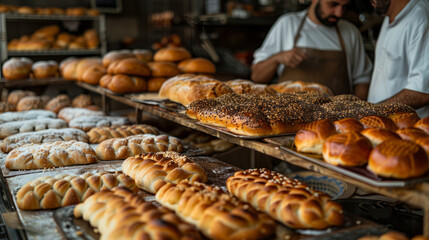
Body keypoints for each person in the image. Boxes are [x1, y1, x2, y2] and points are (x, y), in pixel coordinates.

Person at [251, 0, 373, 99]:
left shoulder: (350, 32)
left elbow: (362, 80)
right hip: (288, 120)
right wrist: (277, 58)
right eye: (333, 4)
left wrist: (356, 113)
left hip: (336, 121)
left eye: (344, 7)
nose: (339, 13)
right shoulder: (288, 24)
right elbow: (257, 77)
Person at [367, 0, 429, 117]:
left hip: (408, 130)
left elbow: (423, 92)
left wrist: (372, 112)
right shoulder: (389, 15)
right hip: (382, 125)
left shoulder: (421, 18)